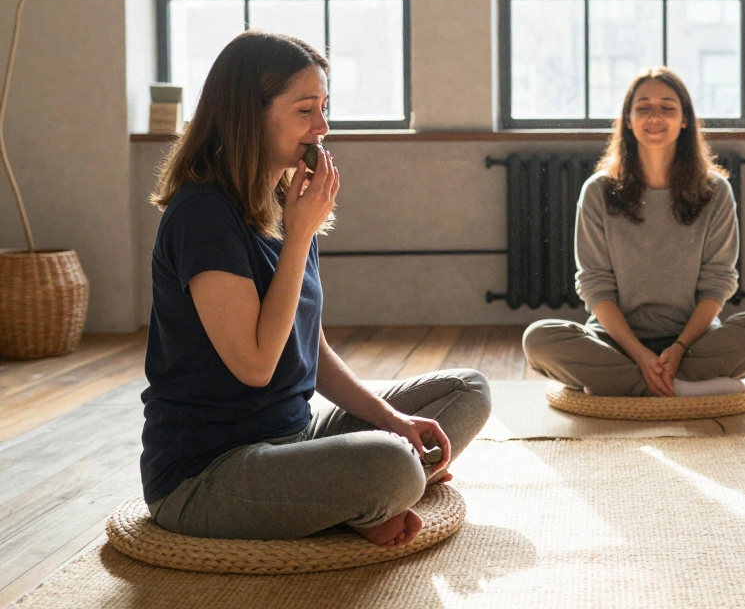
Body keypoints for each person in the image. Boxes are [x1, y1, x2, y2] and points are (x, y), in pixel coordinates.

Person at [141, 32, 491, 547]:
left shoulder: (284, 201)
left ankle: (350, 496)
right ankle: (366, 495)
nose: (322, 127)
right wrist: (300, 234)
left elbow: (312, 349)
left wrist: (394, 419)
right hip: (206, 474)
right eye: (306, 110)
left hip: (294, 437)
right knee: (391, 465)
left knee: (466, 391)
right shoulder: (202, 215)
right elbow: (257, 365)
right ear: (247, 115)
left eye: (323, 107)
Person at [523, 67, 745, 398]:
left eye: (667, 107)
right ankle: (679, 387)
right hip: (616, 342)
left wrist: (677, 349)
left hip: (694, 341)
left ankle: (625, 384)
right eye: (643, 106)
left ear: (685, 120)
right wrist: (640, 354)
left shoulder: (715, 190)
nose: (655, 116)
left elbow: (718, 282)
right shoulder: (597, 191)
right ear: (629, 119)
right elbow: (595, 286)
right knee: (538, 339)